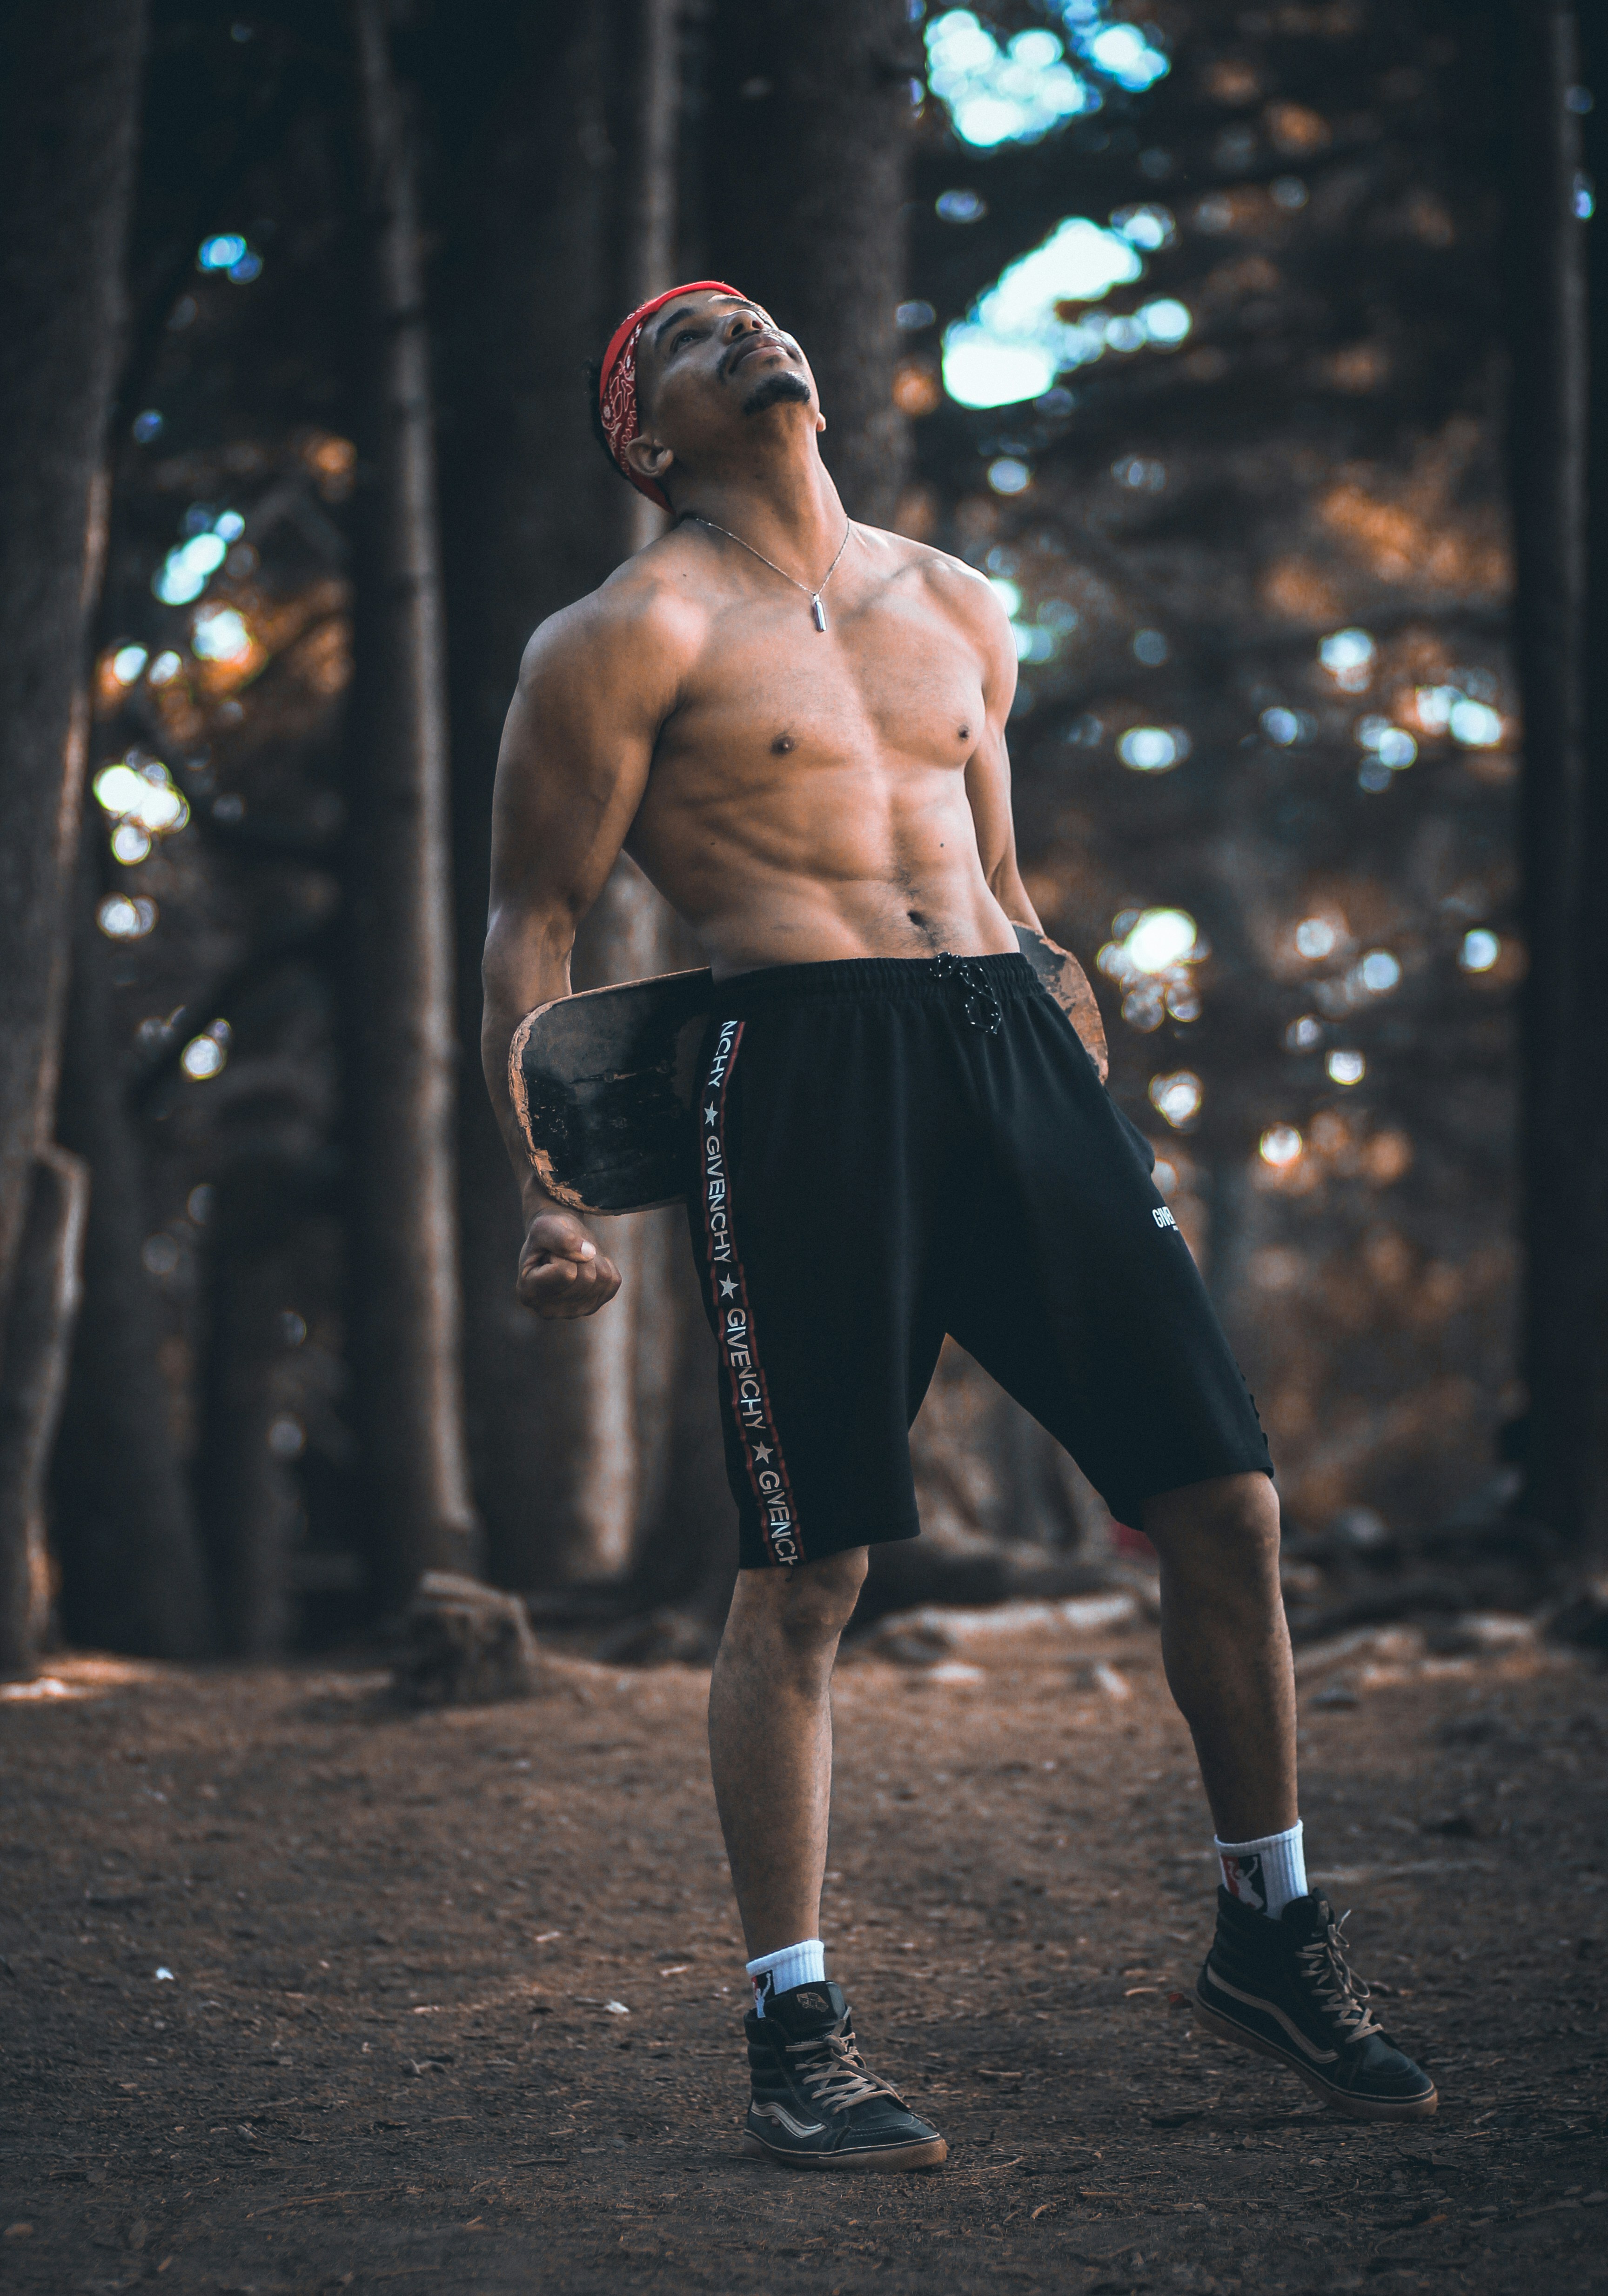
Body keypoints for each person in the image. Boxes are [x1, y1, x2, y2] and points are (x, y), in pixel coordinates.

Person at [480, 281, 1437, 2169]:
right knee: (810, 1568)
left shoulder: (960, 604)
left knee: (1224, 1496)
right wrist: (543, 1184)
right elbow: (533, 920)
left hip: (1012, 1050)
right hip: (803, 1072)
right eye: (692, 335)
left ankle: (1270, 1927)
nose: (749, 330)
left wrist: (1087, 1098)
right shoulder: (622, 635)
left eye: (756, 310)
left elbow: (1004, 880)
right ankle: (795, 2025)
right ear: (645, 438)